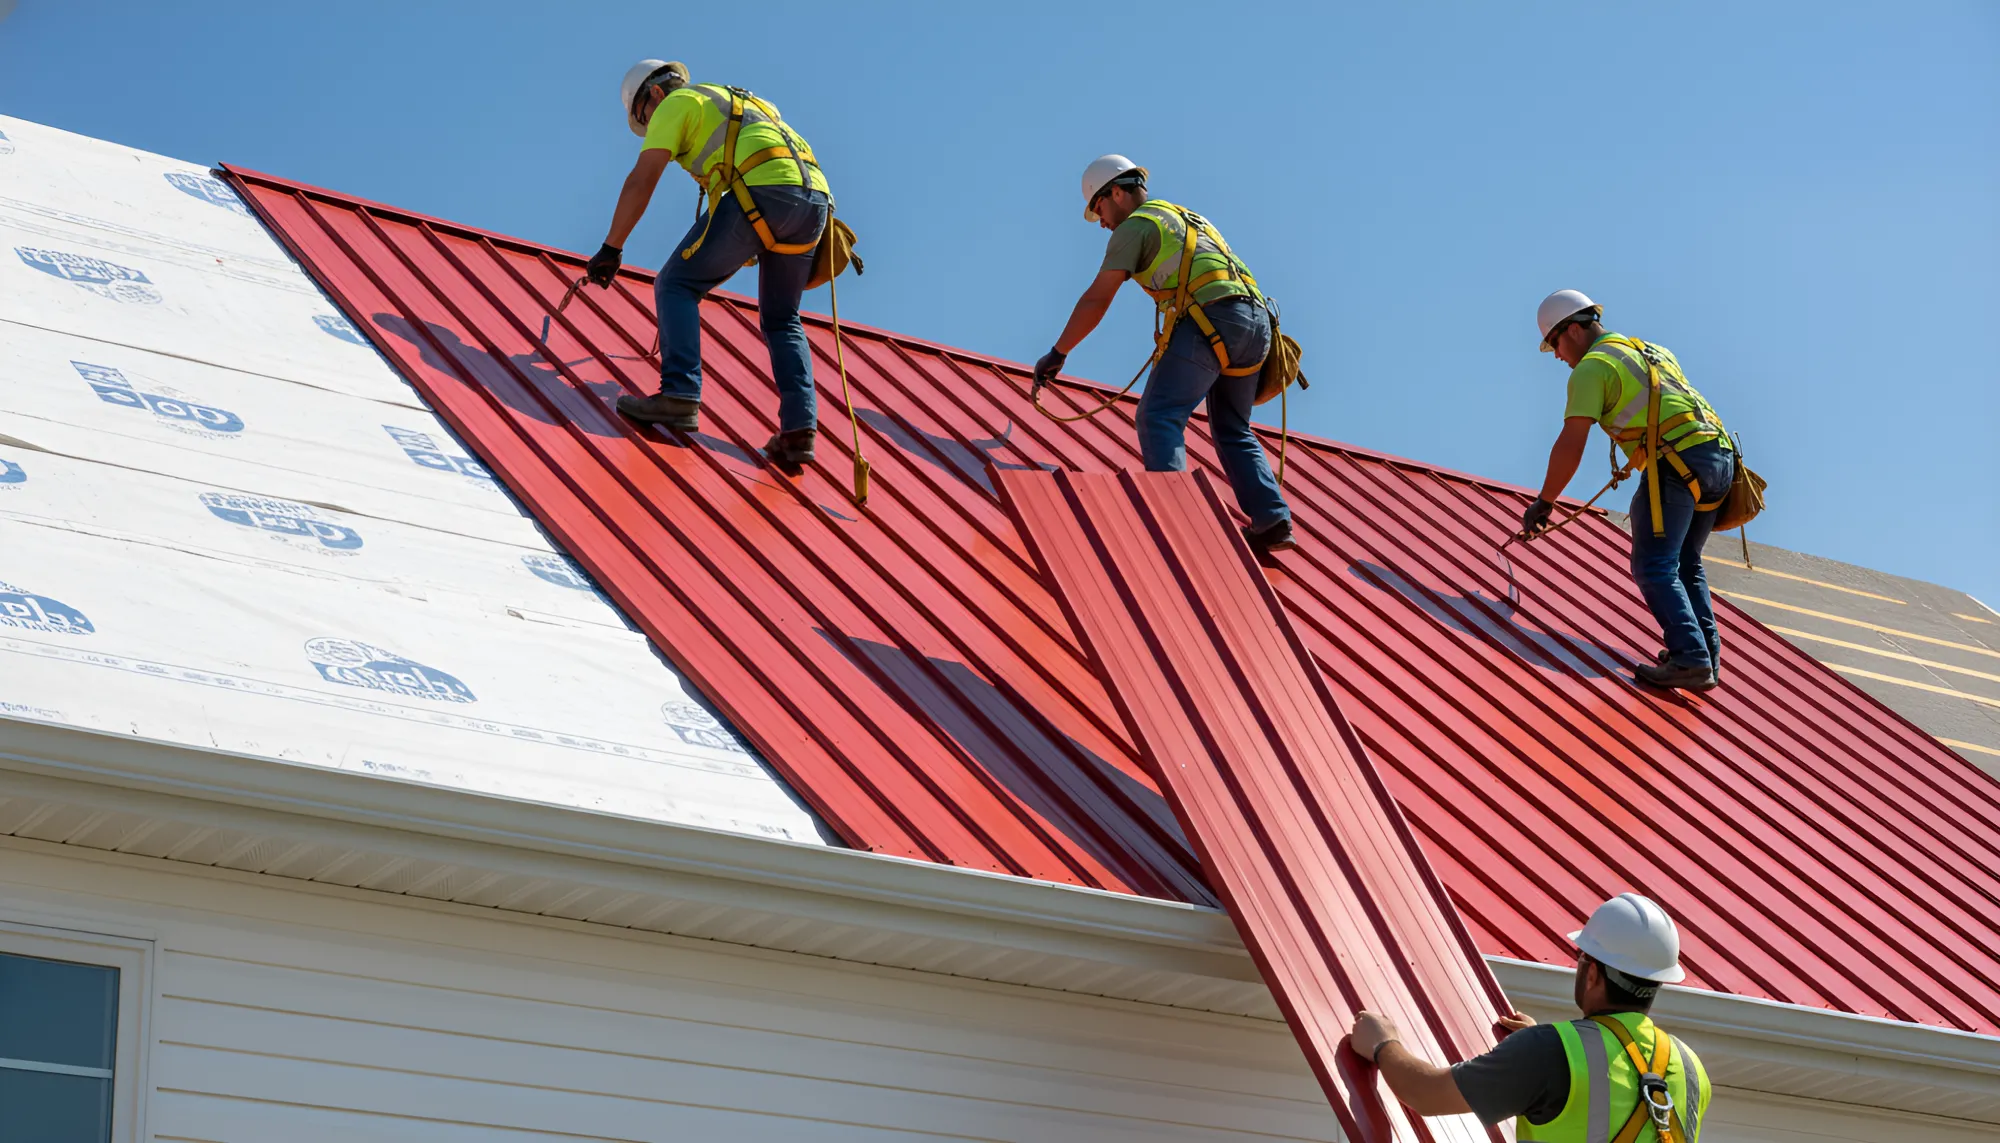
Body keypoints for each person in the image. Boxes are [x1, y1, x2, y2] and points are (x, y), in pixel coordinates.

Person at [1032, 155, 1295, 552]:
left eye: (1099, 209)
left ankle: (1178, 522)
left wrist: (1058, 352)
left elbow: (1097, 299)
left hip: (1212, 319)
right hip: (1257, 326)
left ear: (1116, 193)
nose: (1101, 222)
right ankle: (1273, 519)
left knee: (1157, 415)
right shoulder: (1185, 217)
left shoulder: (1135, 226)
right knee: (1232, 428)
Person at [586, 60, 832, 469]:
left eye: (645, 118)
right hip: (814, 202)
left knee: (676, 285)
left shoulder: (674, 104)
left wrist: (612, 247)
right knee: (782, 318)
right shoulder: (740, 101)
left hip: (763, 189)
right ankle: (799, 431)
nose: (650, 126)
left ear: (655, 94)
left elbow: (643, 178)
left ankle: (679, 394)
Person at [1350, 893, 1712, 1143]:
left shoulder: (1549, 1053)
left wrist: (1382, 1043)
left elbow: (1425, 1094)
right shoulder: (1691, 1069)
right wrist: (1544, 1049)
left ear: (1591, 973)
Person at [1522, 291, 1738, 690]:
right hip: (1720, 459)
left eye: (1554, 343)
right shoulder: (1651, 350)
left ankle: (1691, 658)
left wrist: (1545, 501)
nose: (1557, 356)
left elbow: (1571, 442)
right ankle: (1703, 655)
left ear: (1573, 330)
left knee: (1653, 565)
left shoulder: (1593, 367)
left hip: (1677, 462)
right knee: (1685, 563)